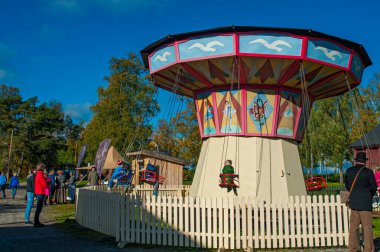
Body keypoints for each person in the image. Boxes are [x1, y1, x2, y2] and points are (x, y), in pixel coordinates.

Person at [345, 152, 377, 252]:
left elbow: (347, 186)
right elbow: (374, 187)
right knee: (367, 228)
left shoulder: (349, 171)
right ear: (365, 161)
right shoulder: (368, 172)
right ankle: (368, 249)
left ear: (356, 160)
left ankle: (353, 248)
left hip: (354, 203)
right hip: (365, 204)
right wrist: (369, 196)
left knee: (353, 228)